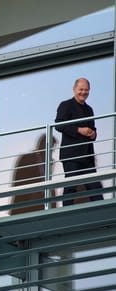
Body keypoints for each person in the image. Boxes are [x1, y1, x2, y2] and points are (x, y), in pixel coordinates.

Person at [55, 77, 103, 206]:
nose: (83, 92)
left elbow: (93, 129)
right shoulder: (66, 105)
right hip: (71, 155)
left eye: (86, 90)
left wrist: (93, 133)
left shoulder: (89, 109)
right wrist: (79, 130)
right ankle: (66, 215)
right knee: (71, 186)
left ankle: (103, 215)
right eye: (81, 89)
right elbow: (59, 125)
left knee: (95, 187)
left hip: (87, 156)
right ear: (74, 89)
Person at [10, 134, 57, 215]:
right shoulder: (26, 158)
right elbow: (18, 181)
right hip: (25, 206)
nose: (52, 152)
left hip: (41, 207)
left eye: (52, 149)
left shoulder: (48, 163)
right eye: (51, 148)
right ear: (43, 146)